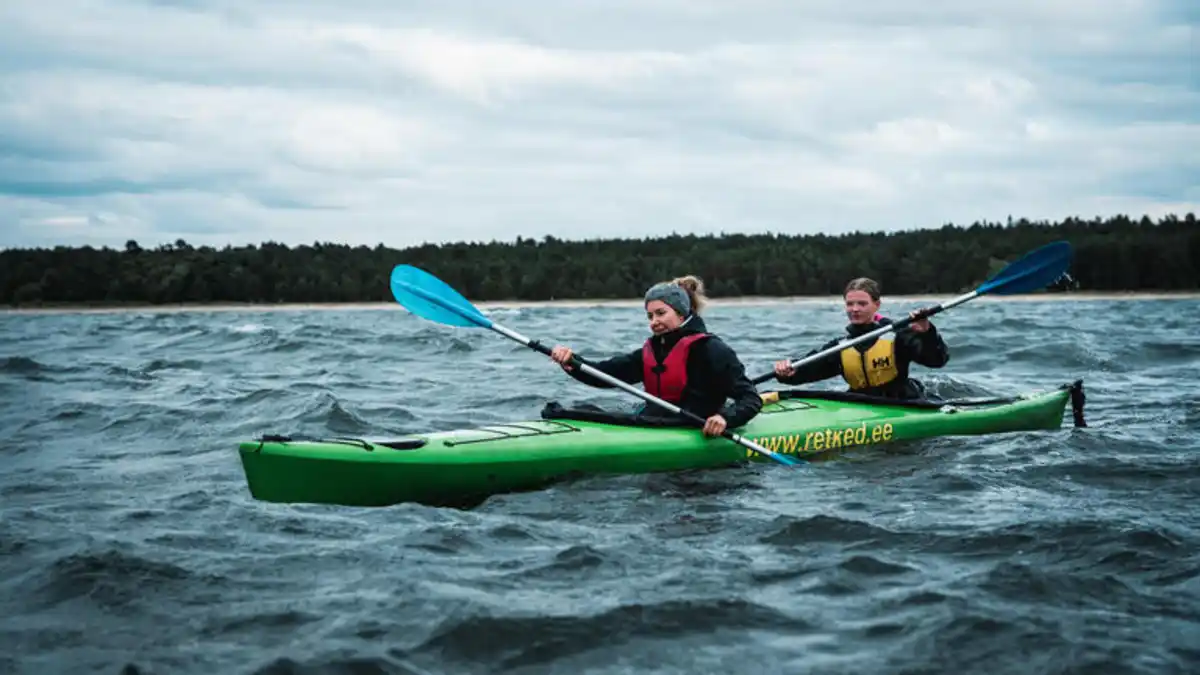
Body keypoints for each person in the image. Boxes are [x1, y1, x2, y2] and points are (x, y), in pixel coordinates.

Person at [549, 276, 762, 438]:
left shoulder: (712, 349)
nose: (654, 322)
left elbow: (751, 399)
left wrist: (725, 419)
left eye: (661, 313)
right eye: (650, 316)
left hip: (693, 426)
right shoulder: (652, 351)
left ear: (681, 314)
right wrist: (572, 362)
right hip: (655, 421)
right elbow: (604, 375)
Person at [772, 277, 949, 399]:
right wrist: (787, 371)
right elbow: (808, 370)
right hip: (859, 402)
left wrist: (926, 333)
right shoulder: (841, 346)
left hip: (900, 402)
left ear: (876, 305)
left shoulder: (898, 336)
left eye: (862, 304)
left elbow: (937, 360)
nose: (855, 309)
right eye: (850, 304)